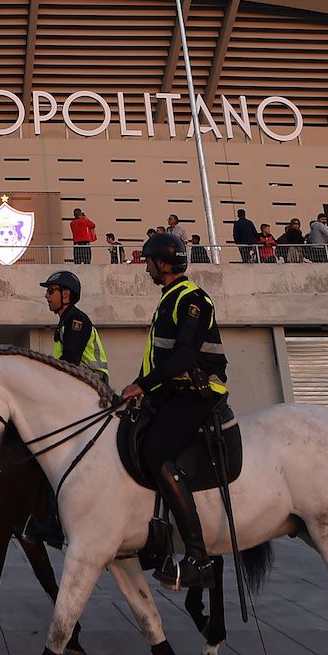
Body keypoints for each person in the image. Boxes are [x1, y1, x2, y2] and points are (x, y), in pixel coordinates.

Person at [121, 233, 227, 591]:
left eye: (149, 262)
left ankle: (198, 556)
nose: (146, 267)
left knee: (154, 451)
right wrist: (138, 387)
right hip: (171, 392)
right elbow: (160, 358)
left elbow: (183, 357)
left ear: (163, 264)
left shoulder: (192, 298)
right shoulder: (168, 299)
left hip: (197, 393)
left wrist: (144, 386)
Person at [23, 269, 109, 546]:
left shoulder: (76, 321)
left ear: (66, 294)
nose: (46, 296)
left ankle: (56, 520)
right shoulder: (64, 323)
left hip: (89, 387)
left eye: (51, 291)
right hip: (76, 387)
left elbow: (70, 362)